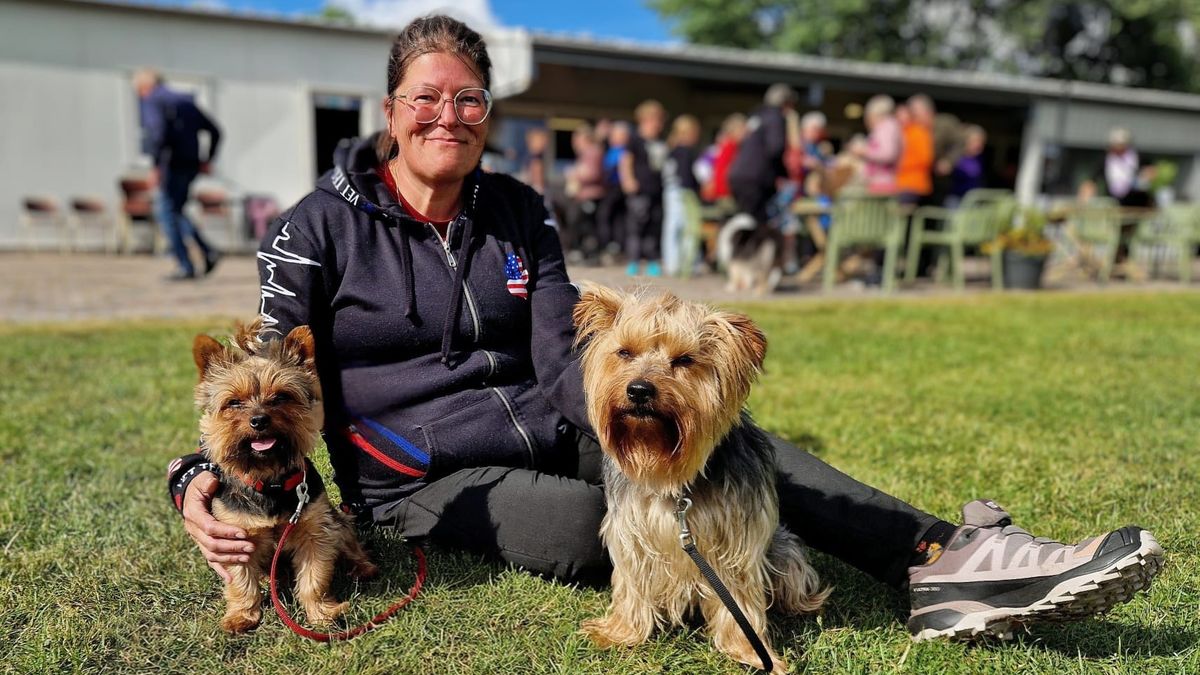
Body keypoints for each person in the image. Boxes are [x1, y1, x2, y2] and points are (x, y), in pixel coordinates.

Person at [166, 15, 1162, 644]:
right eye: (427, 97)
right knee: (589, 532)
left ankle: (947, 559)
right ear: (391, 109)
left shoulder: (518, 208)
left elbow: (564, 347)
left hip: (551, 423)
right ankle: (773, 570)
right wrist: (194, 479)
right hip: (425, 479)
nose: (449, 114)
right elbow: (255, 374)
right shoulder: (316, 225)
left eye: (468, 98)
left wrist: (635, 425)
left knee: (727, 453)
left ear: (486, 112)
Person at [135, 68, 222, 280]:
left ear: (145, 87)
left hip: (170, 166)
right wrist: (207, 159)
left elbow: (157, 133)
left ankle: (185, 266)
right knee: (177, 211)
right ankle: (207, 250)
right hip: (191, 165)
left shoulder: (154, 100)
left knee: (165, 213)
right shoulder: (185, 101)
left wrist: (156, 166)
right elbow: (215, 130)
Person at [620, 100, 668, 276]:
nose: (660, 125)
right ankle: (634, 260)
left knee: (653, 227)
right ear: (645, 120)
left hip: (656, 191)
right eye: (657, 120)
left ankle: (652, 261)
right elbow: (626, 161)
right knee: (637, 226)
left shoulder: (660, 142)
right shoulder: (635, 140)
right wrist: (628, 180)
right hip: (639, 191)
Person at [660, 114, 702, 277]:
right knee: (688, 228)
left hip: (670, 190)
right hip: (683, 191)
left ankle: (672, 264)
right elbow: (688, 175)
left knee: (672, 227)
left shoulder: (671, 150)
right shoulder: (685, 151)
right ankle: (688, 264)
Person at [563, 123, 606, 263]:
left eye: (576, 139)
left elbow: (593, 174)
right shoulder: (585, 154)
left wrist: (574, 174)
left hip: (592, 196)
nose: (574, 143)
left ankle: (591, 254)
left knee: (588, 227)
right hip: (583, 196)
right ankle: (584, 252)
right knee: (580, 225)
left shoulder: (593, 152)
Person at [855, 94, 902, 196]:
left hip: (882, 182)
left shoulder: (887, 127)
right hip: (880, 182)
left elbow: (888, 153)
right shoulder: (889, 127)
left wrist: (864, 151)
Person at [895, 94, 936, 207]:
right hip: (903, 184)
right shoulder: (906, 131)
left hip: (912, 184)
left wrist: (898, 164)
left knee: (904, 220)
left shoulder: (918, 132)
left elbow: (926, 158)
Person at [948, 124, 988, 207]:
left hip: (975, 200)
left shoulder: (980, 158)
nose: (979, 145)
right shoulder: (956, 156)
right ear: (966, 141)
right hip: (957, 199)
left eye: (982, 142)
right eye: (976, 141)